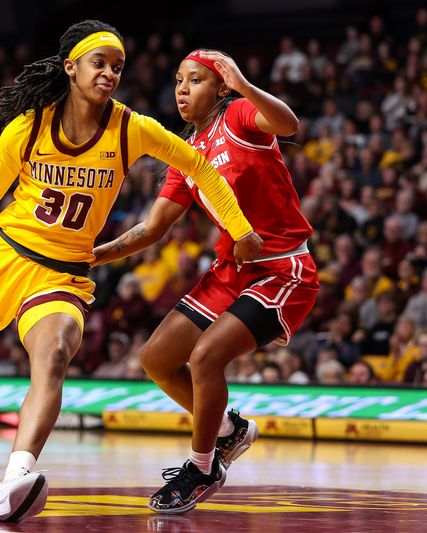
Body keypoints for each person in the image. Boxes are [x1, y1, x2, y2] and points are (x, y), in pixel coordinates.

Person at [0, 21, 261, 523]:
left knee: (55, 355)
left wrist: (240, 229)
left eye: (118, 67)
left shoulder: (133, 128)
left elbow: (202, 169)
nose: (109, 73)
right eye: (99, 63)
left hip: (62, 277)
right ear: (71, 67)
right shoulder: (28, 127)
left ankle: (15, 478)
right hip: (1, 262)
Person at [93, 49, 316, 513]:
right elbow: (152, 229)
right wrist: (89, 257)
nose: (181, 88)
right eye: (178, 80)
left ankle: (203, 464)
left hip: (282, 268)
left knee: (206, 357)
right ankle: (227, 432)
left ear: (219, 88)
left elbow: (289, 124)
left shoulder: (239, 115)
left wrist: (245, 85)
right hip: (231, 271)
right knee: (156, 358)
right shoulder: (184, 152)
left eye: (194, 80)